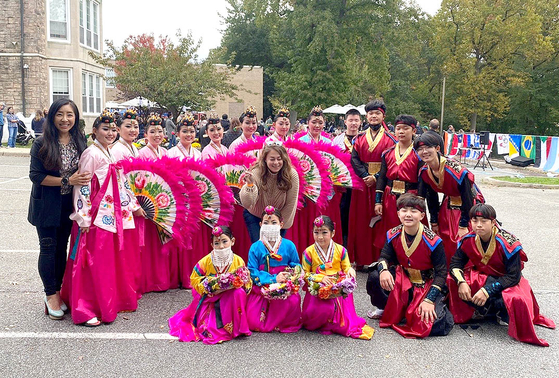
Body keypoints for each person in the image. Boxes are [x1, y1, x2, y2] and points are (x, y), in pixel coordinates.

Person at [62, 111, 144, 326]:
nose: (110, 133)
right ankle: (86, 307)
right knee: (92, 262)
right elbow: (82, 186)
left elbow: (123, 182)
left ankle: (108, 301)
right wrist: (83, 218)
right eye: (105, 129)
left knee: (108, 262)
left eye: (113, 129)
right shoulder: (91, 154)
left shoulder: (110, 152)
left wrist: (133, 205)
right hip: (95, 217)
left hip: (113, 214)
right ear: (94, 132)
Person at [448, 204, 555, 346]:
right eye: (475, 221)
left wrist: (487, 290)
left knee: (516, 299)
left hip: (508, 280)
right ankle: (476, 311)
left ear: (493, 222)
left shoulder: (508, 242)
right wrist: (461, 282)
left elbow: (514, 276)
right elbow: (455, 264)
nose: (478, 225)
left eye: (484, 221)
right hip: (483, 276)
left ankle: (497, 310)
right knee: (452, 279)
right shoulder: (467, 239)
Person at [28, 99, 89, 320]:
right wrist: (67, 180)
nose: (65, 119)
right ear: (52, 117)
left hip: (69, 205)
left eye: (70, 115)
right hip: (46, 204)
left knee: (62, 249)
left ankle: (59, 290)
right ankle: (50, 294)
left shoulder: (80, 141)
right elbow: (36, 176)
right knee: (48, 248)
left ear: (76, 118)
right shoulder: (42, 143)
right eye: (60, 114)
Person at [368, 194, 454, 337]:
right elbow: (384, 257)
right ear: (398, 214)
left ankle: (414, 308)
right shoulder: (393, 234)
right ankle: (384, 306)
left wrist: (429, 299)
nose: (408, 215)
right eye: (404, 210)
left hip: (426, 284)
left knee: (438, 324)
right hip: (403, 281)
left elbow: (441, 273)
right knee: (375, 276)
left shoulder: (434, 241)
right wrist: (383, 270)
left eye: (413, 211)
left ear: (421, 215)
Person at [168, 226, 252, 344]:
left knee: (240, 293)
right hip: (212, 297)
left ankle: (237, 326)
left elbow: (246, 282)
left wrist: (240, 282)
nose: (221, 246)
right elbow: (194, 278)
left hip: (230, 295)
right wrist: (210, 285)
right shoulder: (206, 261)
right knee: (210, 328)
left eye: (224, 241)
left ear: (232, 241)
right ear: (212, 245)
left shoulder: (238, 261)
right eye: (216, 243)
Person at [415, 132, 483, 265]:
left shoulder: (456, 170)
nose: (424, 152)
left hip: (469, 206)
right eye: (419, 149)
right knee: (444, 237)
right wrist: (434, 221)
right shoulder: (424, 171)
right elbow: (431, 198)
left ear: (437, 148)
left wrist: (464, 224)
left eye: (427, 148)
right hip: (448, 204)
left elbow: (467, 197)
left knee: (463, 240)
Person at [301, 215, 374, 339]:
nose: (320, 237)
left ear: (333, 233)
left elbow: (346, 267)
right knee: (312, 320)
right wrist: (319, 278)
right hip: (319, 288)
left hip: (337, 287)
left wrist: (350, 270)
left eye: (324, 232)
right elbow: (305, 274)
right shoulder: (308, 252)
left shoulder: (341, 250)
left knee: (343, 324)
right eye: (316, 232)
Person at [349, 99, 396, 266]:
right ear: (366, 116)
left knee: (380, 220)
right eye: (370, 114)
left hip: (381, 183)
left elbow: (391, 162)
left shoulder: (392, 139)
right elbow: (354, 159)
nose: (373, 116)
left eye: (377, 113)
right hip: (362, 184)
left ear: (383, 115)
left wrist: (376, 177)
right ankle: (362, 259)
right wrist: (364, 175)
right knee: (360, 221)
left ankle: (379, 259)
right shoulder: (359, 138)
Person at [246, 206, 302, 333]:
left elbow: (296, 266)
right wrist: (272, 279)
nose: (269, 225)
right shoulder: (255, 247)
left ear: (281, 224)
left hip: (283, 287)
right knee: (253, 322)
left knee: (292, 301)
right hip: (262, 287)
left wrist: (289, 278)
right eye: (266, 223)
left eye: (274, 222)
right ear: (260, 225)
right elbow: (252, 271)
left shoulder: (289, 245)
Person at [374, 114, 424, 249]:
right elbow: (382, 177)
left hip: (411, 197)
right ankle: (388, 260)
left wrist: (420, 202)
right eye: (398, 128)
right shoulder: (387, 153)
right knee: (389, 229)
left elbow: (422, 181)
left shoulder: (419, 154)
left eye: (405, 128)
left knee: (410, 229)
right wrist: (378, 201)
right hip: (389, 197)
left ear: (414, 131)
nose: (401, 132)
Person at [240, 143, 299, 243]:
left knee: (275, 249)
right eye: (272, 159)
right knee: (260, 248)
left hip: (279, 219)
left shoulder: (292, 175)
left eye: (279, 159)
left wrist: (276, 224)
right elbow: (247, 203)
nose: (276, 162)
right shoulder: (256, 172)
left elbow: (290, 204)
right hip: (256, 217)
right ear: (265, 159)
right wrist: (249, 185)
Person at [332, 108, 361, 247]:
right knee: (342, 214)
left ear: (361, 122)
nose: (353, 123)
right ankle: (343, 246)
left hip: (359, 184)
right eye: (351, 120)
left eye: (356, 120)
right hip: (341, 185)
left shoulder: (363, 140)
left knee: (357, 216)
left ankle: (356, 247)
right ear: (345, 122)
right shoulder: (336, 140)